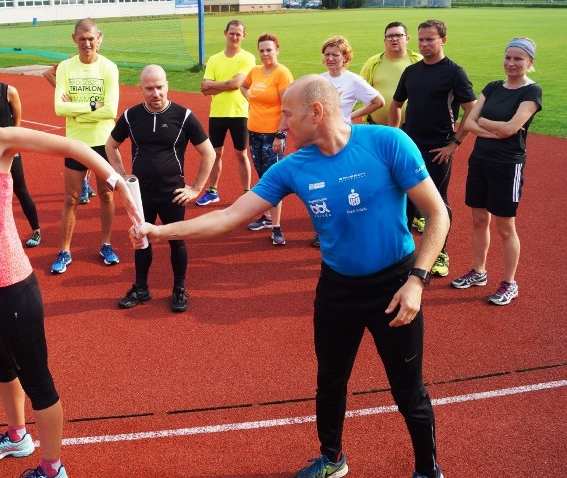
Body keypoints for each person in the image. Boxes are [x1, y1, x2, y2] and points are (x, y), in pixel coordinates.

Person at [131, 75, 449, 478]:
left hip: (396, 285)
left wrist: (417, 281)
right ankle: (333, 460)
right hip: (337, 289)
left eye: (288, 114)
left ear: (316, 112)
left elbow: (437, 213)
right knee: (330, 381)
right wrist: (158, 232)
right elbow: (229, 217)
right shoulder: (293, 167)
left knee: (408, 389)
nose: (282, 124)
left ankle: (427, 469)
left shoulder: (388, 143)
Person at [0, 68, 140, 478]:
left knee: (36, 379)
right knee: (1, 369)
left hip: (12, 285)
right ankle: (17, 435)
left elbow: (73, 146)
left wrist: (118, 183)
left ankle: (52, 467)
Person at [106, 65, 215, 312]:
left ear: (167, 85)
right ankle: (141, 288)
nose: (156, 93)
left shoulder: (184, 116)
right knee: (141, 240)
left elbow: (208, 153)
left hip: (172, 194)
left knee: (176, 241)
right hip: (140, 194)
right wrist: (122, 176)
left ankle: (179, 288)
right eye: (149, 88)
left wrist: (196, 188)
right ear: (141, 89)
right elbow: (110, 146)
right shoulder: (130, 116)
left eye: (160, 87)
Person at [450, 37, 542, 306]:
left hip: (508, 164)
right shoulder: (492, 87)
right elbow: (468, 121)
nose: (511, 63)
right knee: (479, 219)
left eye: (518, 59)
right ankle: (479, 272)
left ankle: (509, 283)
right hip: (480, 160)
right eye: (508, 57)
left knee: (505, 226)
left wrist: (486, 124)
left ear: (530, 62)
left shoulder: (531, 92)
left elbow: (510, 130)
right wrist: (495, 127)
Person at [389, 19, 476, 278]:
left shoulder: (454, 72)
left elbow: (471, 111)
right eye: (421, 39)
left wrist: (455, 143)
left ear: (443, 40)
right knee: (402, 200)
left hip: (438, 150)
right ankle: (401, 256)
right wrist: (396, 135)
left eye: (430, 39)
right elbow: (395, 104)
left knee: (436, 203)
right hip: (409, 147)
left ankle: (440, 253)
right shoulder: (411, 71)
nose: (425, 44)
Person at [51, 18, 120, 274]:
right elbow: (59, 108)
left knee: (106, 195)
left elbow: (111, 110)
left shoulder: (109, 68)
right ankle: (65, 250)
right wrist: (92, 107)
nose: (87, 43)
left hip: (104, 143)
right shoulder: (65, 68)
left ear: (99, 37)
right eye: (82, 39)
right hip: (76, 144)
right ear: (74, 39)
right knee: (70, 198)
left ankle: (106, 244)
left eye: (91, 38)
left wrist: (76, 113)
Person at [310, 35, 384, 249]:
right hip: (320, 139)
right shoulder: (319, 80)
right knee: (322, 185)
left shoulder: (352, 80)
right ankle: (324, 230)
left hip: (342, 140)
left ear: (345, 57)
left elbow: (378, 101)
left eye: (336, 54)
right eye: (327, 54)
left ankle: (348, 228)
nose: (331, 58)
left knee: (343, 184)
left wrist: (352, 116)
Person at [0, 54, 42, 247]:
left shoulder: (9, 91)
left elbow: (17, 122)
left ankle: (36, 230)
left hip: (10, 150)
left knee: (20, 190)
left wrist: (16, 144)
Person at [240, 32, 294, 246]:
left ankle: (276, 228)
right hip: (254, 133)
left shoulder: (282, 73)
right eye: (261, 50)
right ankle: (266, 217)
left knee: (275, 180)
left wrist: (280, 134)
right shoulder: (255, 72)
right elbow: (243, 86)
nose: (265, 54)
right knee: (263, 178)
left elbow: (287, 106)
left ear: (277, 50)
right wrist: (250, 99)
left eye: (269, 49)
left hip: (273, 135)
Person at [196, 19, 255, 207]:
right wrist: (227, 85)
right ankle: (212, 191)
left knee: (241, 154)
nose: (235, 37)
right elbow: (205, 90)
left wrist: (218, 84)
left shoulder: (247, 58)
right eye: (232, 33)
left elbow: (237, 84)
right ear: (225, 33)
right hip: (217, 113)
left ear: (243, 36)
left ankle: (247, 192)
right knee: (215, 153)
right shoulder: (214, 59)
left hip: (239, 113)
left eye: (238, 33)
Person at [43, 62, 97, 204]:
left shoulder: (98, 65)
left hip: (91, 111)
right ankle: (82, 187)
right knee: (81, 149)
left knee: (91, 148)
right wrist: (62, 92)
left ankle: (86, 183)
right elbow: (48, 73)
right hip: (76, 111)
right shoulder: (68, 63)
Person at [359, 22, 422, 126]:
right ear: (384, 40)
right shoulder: (372, 63)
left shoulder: (419, 61)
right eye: (389, 36)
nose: (394, 39)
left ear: (407, 38)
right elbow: (359, 89)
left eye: (398, 35)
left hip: (413, 129)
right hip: (377, 127)